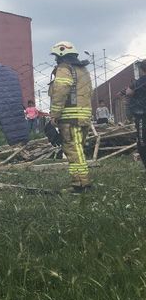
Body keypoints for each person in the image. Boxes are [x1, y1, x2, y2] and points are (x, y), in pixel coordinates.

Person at [48, 41, 93, 194]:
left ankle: (81, 184)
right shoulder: (82, 69)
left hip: (69, 117)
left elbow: (60, 91)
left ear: (61, 54)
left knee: (73, 151)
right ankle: (80, 182)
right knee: (78, 150)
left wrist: (54, 114)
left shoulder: (64, 68)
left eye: (56, 56)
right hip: (83, 116)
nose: (55, 59)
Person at [124, 61, 146, 169]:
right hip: (141, 114)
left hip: (141, 115)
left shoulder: (138, 82)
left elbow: (128, 93)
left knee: (142, 142)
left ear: (141, 70)